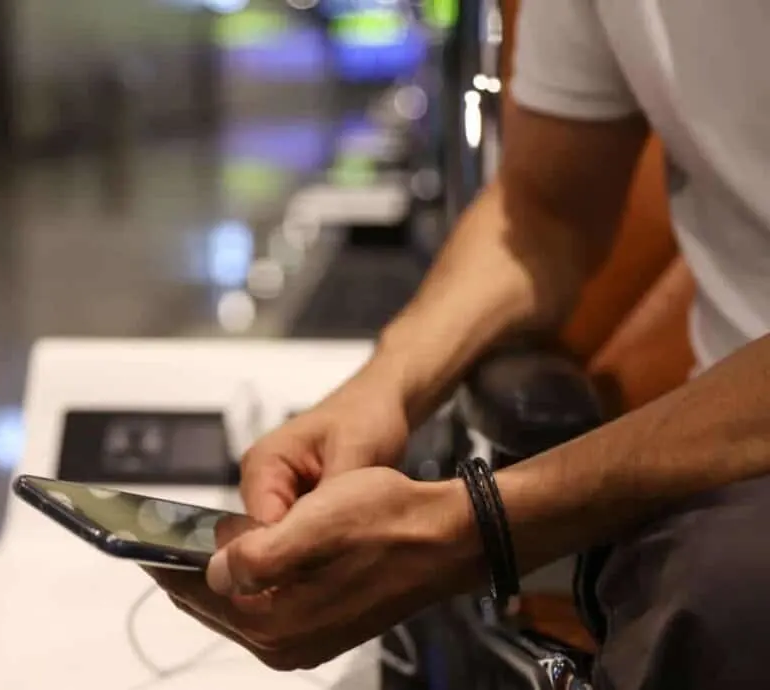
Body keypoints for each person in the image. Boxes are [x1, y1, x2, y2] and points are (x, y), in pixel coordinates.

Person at [149, 2, 770, 687]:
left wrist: (476, 527)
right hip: (718, 452)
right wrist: (384, 386)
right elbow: (543, 217)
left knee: (723, 594)